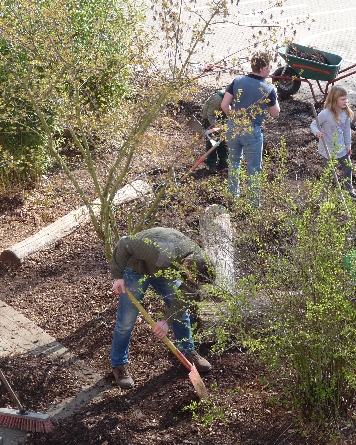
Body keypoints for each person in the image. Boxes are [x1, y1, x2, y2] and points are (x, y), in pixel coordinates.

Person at [109, 227, 215, 389]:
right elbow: (124, 243)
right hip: (137, 269)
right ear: (186, 268)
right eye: (191, 279)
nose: (192, 283)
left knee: (181, 313)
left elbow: (185, 296)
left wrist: (167, 321)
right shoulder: (158, 249)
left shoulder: (200, 262)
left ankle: (187, 350)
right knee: (126, 321)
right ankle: (119, 365)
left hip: (165, 272)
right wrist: (117, 275)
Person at [221, 52, 280, 207]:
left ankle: (233, 197)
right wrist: (275, 98)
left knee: (234, 162)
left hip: (233, 127)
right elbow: (275, 114)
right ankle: (253, 204)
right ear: (262, 68)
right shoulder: (268, 89)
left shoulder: (237, 80)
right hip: (252, 131)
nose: (270, 71)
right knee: (254, 167)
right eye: (269, 68)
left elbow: (224, 105)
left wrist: (234, 118)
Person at [310, 85, 356, 201]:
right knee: (329, 173)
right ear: (334, 100)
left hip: (341, 148)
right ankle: (324, 198)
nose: (346, 101)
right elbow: (313, 124)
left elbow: (347, 131)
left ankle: (349, 190)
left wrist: (348, 145)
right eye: (343, 99)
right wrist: (317, 132)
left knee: (348, 168)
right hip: (328, 149)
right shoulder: (325, 114)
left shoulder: (345, 113)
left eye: (346, 99)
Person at [200, 89, 228, 174]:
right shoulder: (218, 99)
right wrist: (218, 126)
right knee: (212, 141)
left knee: (222, 141)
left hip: (221, 117)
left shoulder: (234, 98)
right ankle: (211, 163)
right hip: (210, 118)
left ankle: (223, 161)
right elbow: (210, 115)